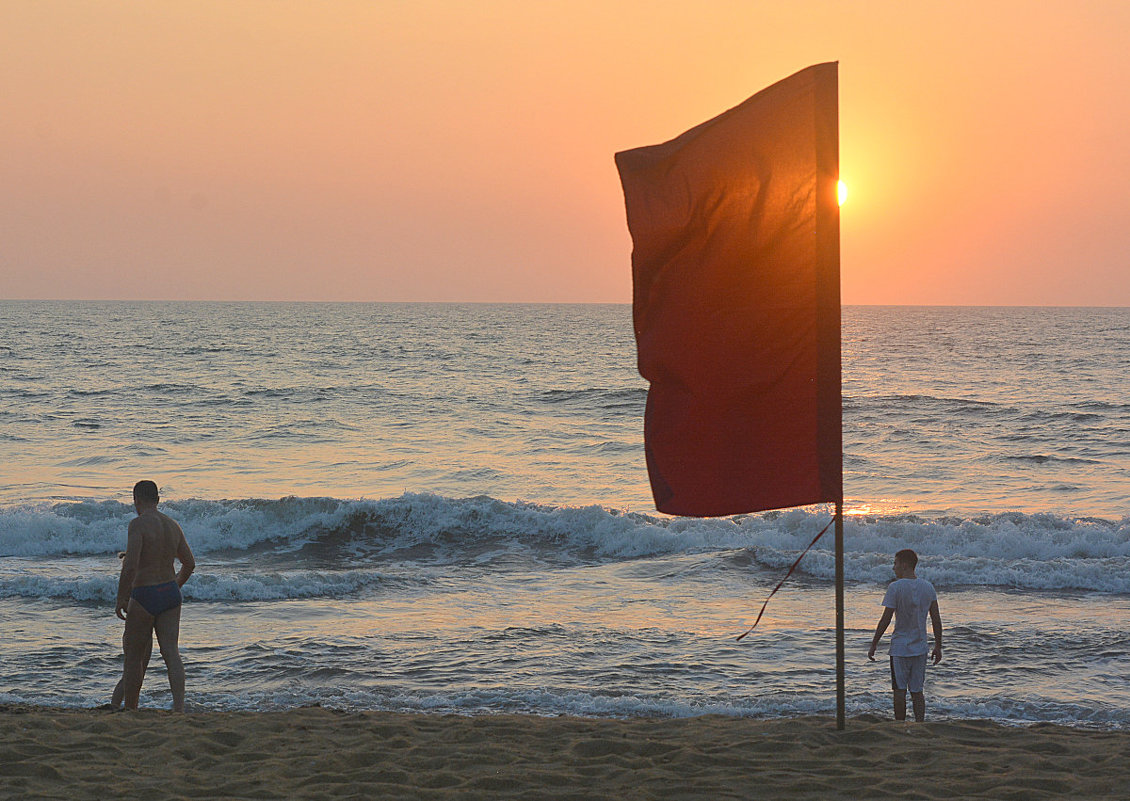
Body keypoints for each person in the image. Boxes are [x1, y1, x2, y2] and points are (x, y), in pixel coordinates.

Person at [115, 480, 195, 711]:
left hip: (144, 593)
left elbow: (130, 566)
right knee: (171, 652)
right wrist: (174, 586)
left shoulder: (137, 524)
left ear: (136, 499)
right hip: (169, 592)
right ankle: (179, 708)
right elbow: (189, 564)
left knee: (134, 656)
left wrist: (121, 598)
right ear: (158, 500)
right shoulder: (172, 525)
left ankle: (131, 708)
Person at [867, 548, 942, 722]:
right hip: (920, 647)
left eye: (896, 563)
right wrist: (938, 645)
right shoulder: (928, 587)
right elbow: (936, 620)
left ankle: (900, 725)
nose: (894, 568)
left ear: (905, 565)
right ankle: (919, 724)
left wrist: (874, 643)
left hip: (900, 648)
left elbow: (885, 619)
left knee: (899, 690)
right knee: (917, 691)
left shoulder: (895, 587)